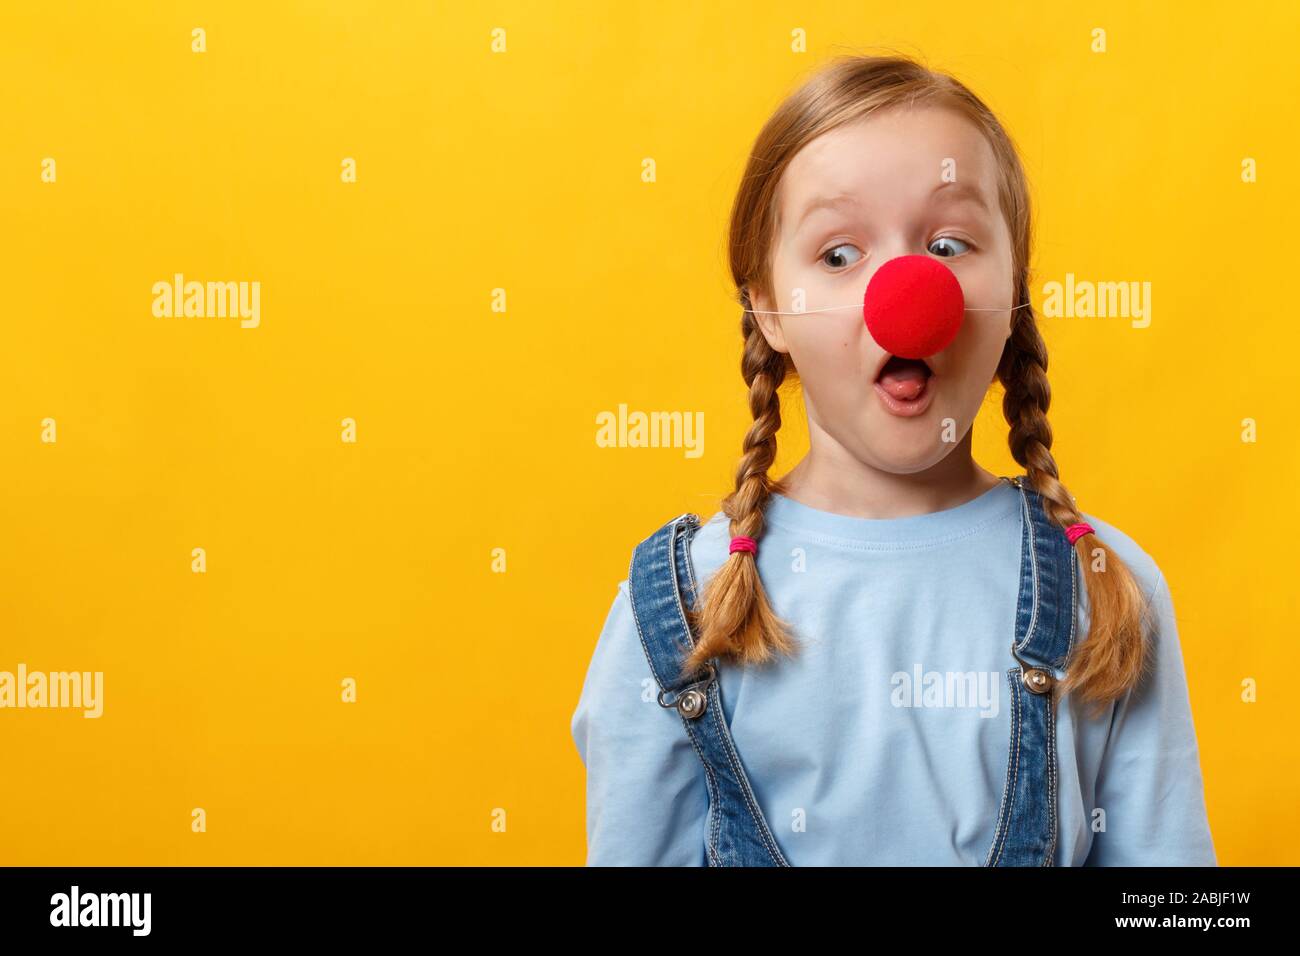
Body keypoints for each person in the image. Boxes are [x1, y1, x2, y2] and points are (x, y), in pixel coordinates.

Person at [570, 53, 1215, 867]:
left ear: (1013, 291)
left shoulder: (1109, 590)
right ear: (768, 306)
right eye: (839, 256)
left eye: (949, 244)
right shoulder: (682, 607)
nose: (907, 292)